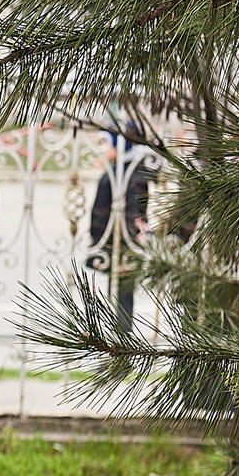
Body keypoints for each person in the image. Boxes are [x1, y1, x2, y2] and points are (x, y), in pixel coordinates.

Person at [85, 129, 158, 333]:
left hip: (122, 243)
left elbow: (134, 214)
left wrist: (129, 241)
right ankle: (117, 337)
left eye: (108, 144)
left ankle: (121, 339)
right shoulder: (118, 172)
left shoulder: (127, 175)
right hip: (112, 242)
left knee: (122, 293)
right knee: (116, 292)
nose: (105, 150)